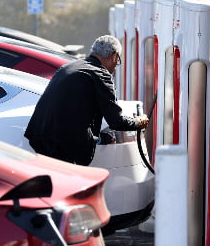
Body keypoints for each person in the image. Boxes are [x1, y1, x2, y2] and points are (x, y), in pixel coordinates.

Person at [24, 35, 149, 166]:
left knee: (55, 179)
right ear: (114, 56)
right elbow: (116, 121)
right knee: (70, 181)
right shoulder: (100, 74)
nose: (116, 66)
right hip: (63, 142)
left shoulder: (69, 66)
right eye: (118, 60)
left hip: (40, 134)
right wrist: (138, 122)